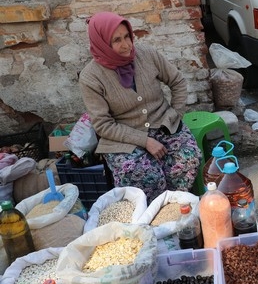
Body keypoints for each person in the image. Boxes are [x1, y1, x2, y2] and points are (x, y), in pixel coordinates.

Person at [79, 12, 202, 202]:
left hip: (163, 125)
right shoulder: (91, 77)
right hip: (124, 138)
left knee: (187, 159)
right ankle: (151, 219)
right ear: (102, 43)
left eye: (127, 36)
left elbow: (177, 81)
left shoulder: (147, 54)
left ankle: (176, 208)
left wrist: (174, 114)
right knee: (142, 174)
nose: (126, 45)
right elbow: (103, 125)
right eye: (117, 40)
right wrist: (144, 141)